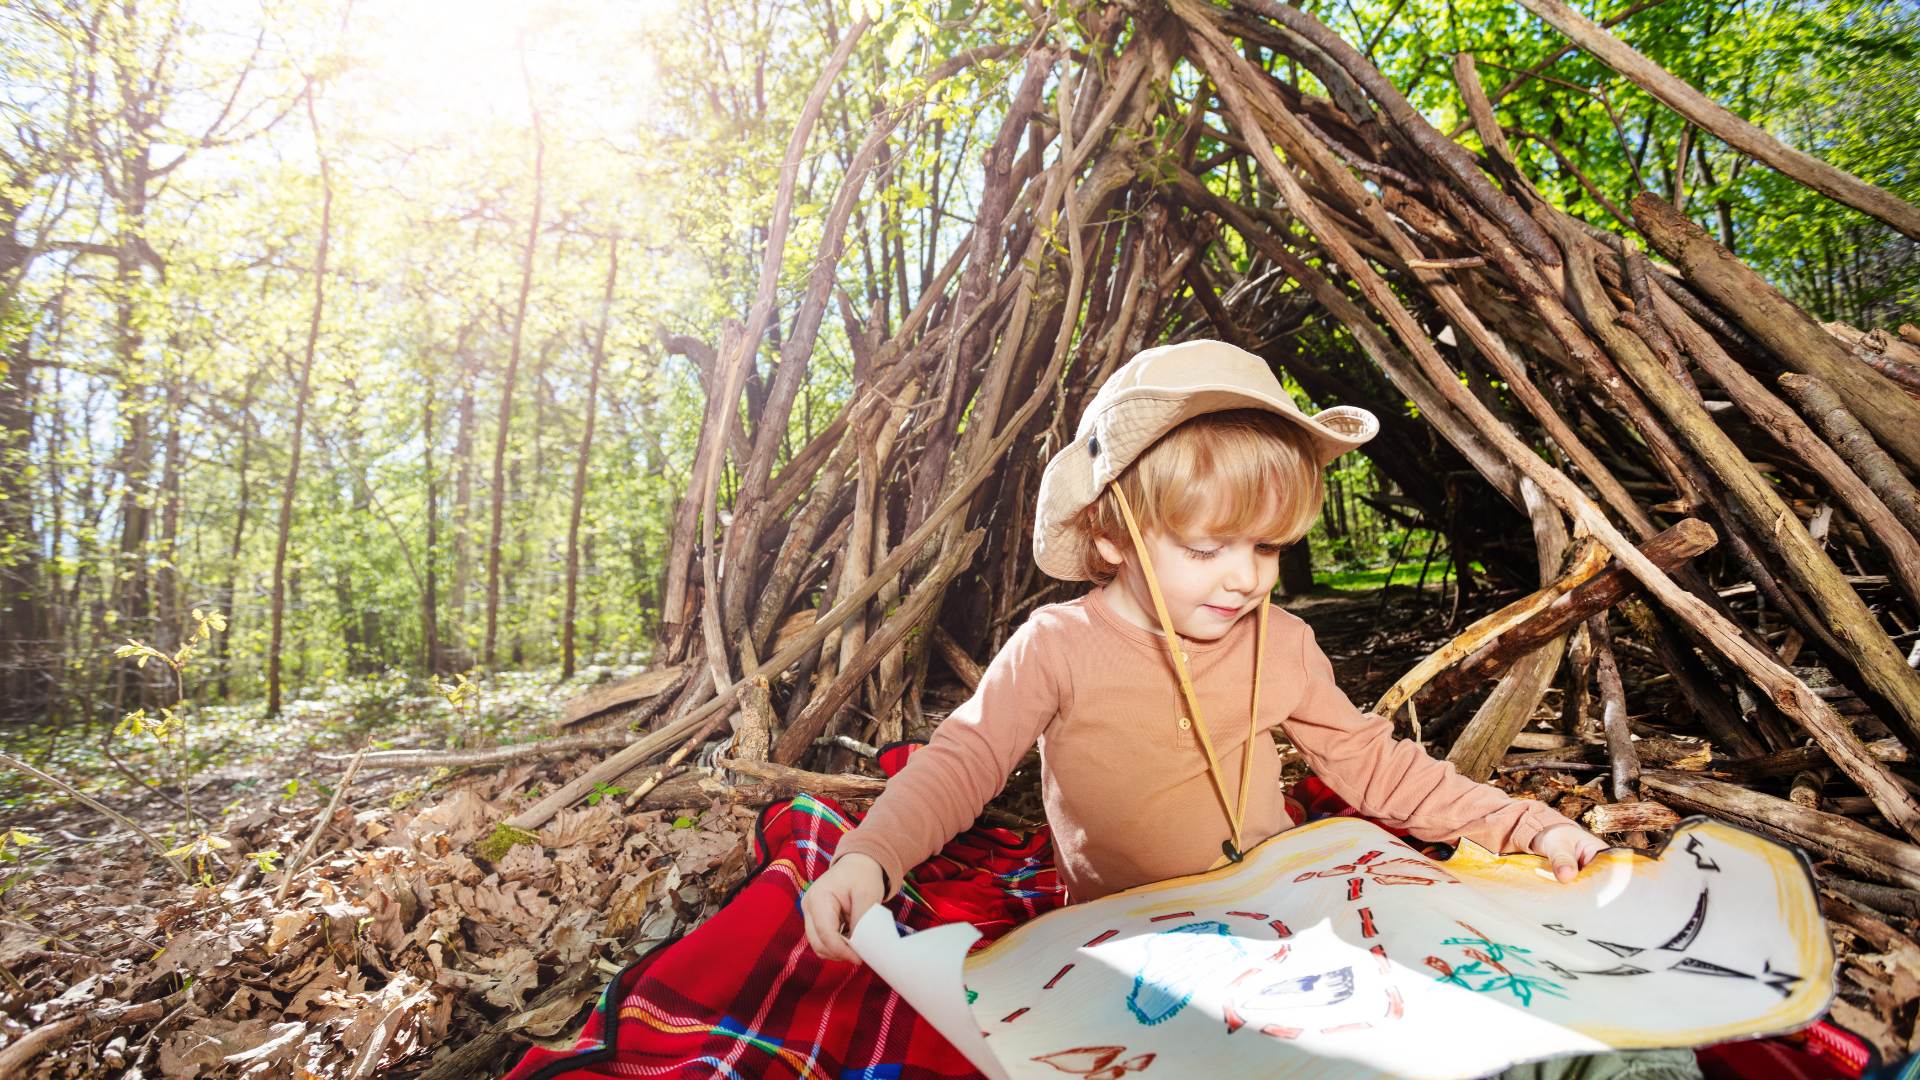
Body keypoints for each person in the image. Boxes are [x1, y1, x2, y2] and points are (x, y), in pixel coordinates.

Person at [802, 338, 1609, 964]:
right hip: (1131, 937)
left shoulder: (1283, 644)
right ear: (1113, 535)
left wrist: (1527, 828)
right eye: (1206, 549)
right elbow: (960, 762)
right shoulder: (1058, 646)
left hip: (1277, 912)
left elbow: (1378, 767)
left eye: (1266, 549)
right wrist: (871, 859)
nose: (1243, 579)